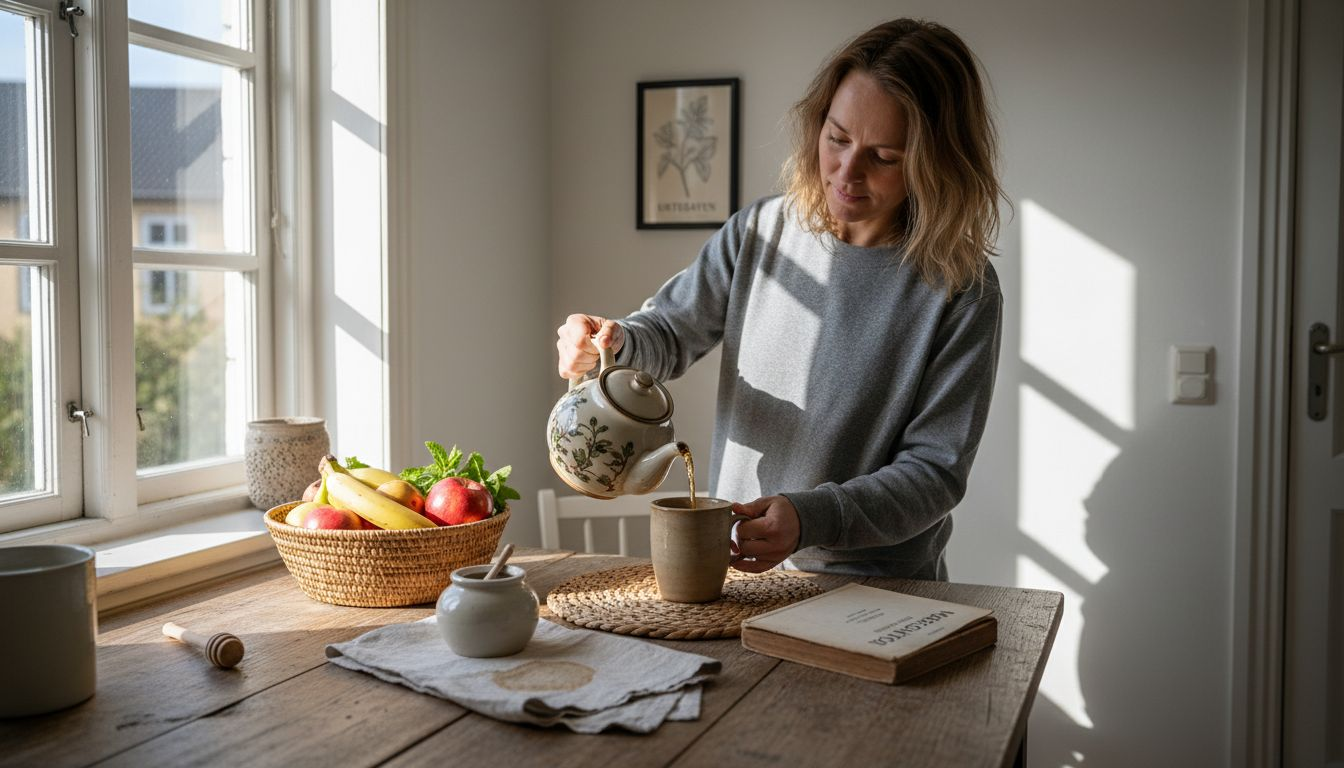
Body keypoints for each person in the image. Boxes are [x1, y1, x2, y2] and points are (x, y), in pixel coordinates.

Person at [555, 18, 1005, 580]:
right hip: (738, 571)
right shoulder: (759, 232)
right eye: (837, 138)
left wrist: (812, 517)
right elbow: (668, 332)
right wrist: (613, 341)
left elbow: (934, 472)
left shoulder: (961, 288)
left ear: (936, 163)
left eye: (885, 156)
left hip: (879, 589)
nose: (847, 172)